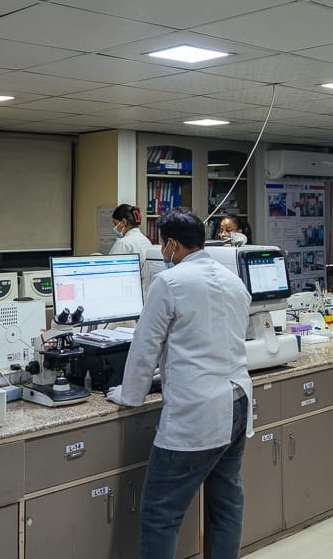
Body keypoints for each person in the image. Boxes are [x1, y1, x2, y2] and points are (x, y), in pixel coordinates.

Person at [106, 208, 252, 559]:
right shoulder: (233, 280)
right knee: (226, 505)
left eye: (162, 245)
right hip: (237, 402)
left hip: (197, 412)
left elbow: (145, 347)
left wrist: (129, 396)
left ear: (171, 244)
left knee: (161, 514)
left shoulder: (169, 282)